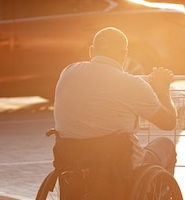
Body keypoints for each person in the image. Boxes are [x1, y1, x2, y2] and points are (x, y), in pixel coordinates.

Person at [53, 26, 178, 174]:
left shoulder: (68, 72)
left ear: (92, 51)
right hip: (118, 162)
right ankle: (157, 196)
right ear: (124, 54)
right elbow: (168, 122)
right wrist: (162, 90)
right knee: (166, 146)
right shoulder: (131, 84)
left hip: (72, 159)